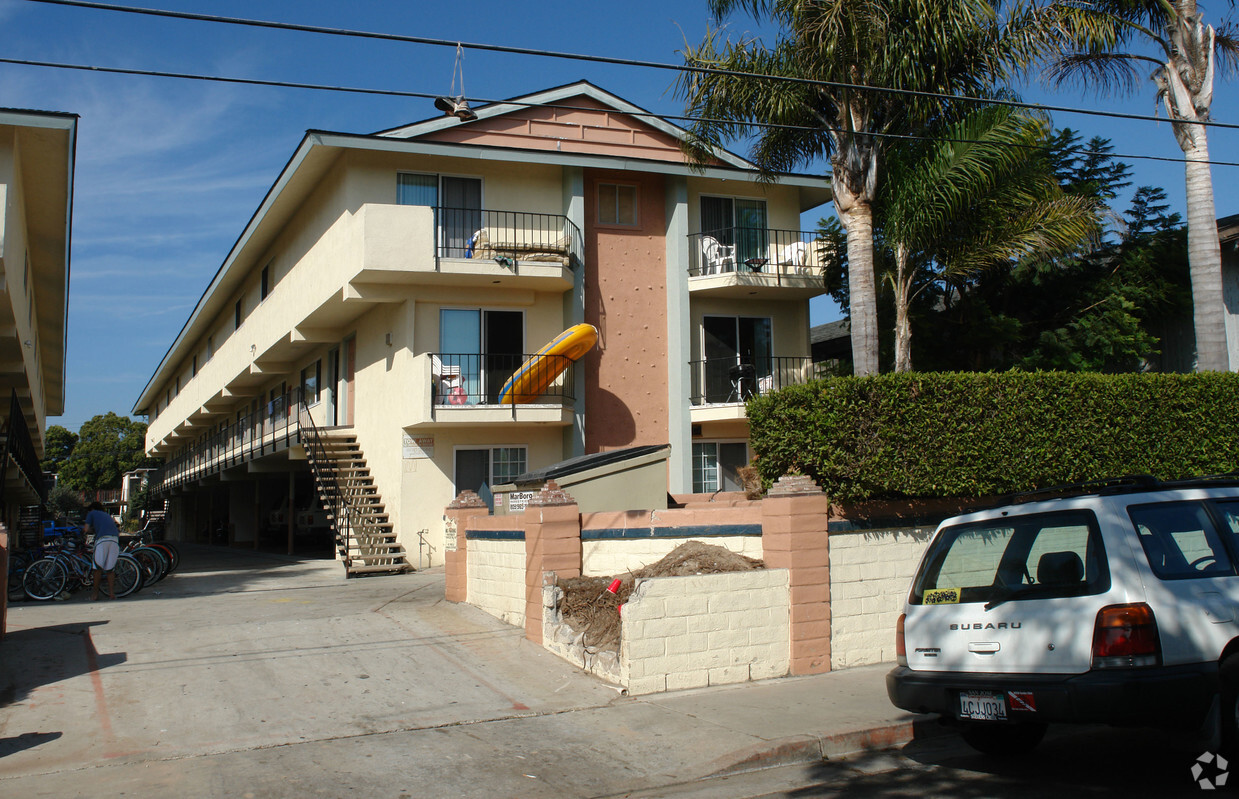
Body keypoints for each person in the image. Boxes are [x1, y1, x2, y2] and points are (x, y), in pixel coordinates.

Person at [84, 501, 121, 600]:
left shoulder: (91, 513)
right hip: (114, 539)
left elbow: (86, 529)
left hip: (102, 540)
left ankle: (95, 595)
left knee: (97, 568)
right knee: (110, 569)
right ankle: (111, 594)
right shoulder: (106, 515)